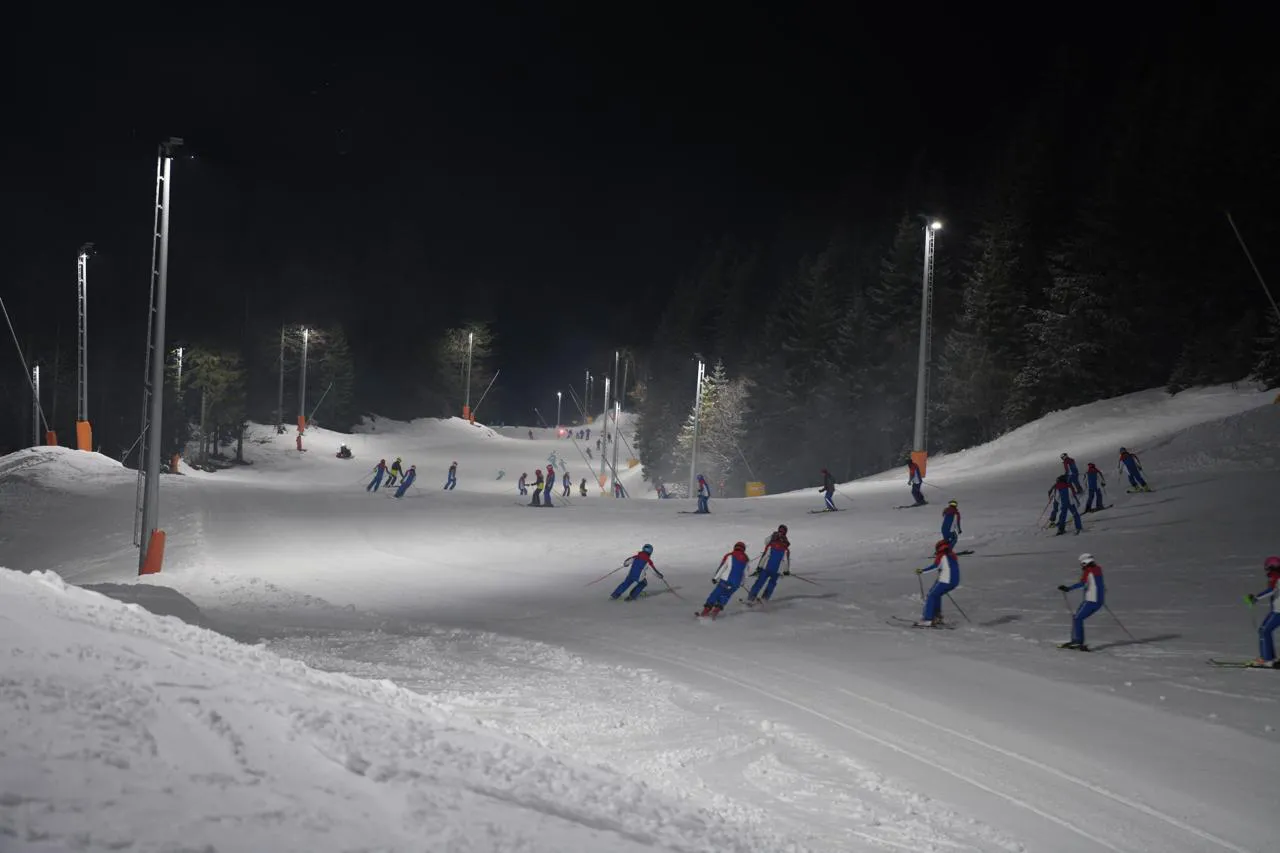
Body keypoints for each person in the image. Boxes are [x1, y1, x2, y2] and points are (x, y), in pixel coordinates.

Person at [1058, 553, 1105, 650]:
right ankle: (1077, 641)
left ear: (1085, 562)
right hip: (1098, 600)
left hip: (1091, 600)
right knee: (1077, 618)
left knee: (1077, 618)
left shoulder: (1089, 571)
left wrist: (1068, 589)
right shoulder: (1097, 569)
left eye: (1082, 564)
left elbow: (1083, 583)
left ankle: (1077, 641)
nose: (1081, 566)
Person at [915, 539, 960, 627]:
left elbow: (935, 566)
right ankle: (937, 617)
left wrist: (922, 571)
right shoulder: (951, 555)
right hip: (954, 581)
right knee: (936, 595)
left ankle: (928, 619)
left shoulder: (942, 555)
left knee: (931, 596)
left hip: (946, 581)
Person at [700, 541, 751, 618]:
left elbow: (723, 567)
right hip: (736, 583)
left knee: (716, 594)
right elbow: (745, 574)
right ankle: (716, 610)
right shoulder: (746, 559)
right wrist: (742, 583)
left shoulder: (730, 556)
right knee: (726, 595)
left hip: (725, 580)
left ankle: (706, 610)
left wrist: (715, 578)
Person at [1245, 556, 1280, 667]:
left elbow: (1272, 590)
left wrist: (1256, 598)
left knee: (1264, 631)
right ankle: (1271, 658)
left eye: (1268, 568)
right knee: (1266, 631)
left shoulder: (1276, 577)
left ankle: (1267, 659)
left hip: (1278, 611)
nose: (1267, 571)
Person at [746, 525, 791, 605]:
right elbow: (786, 561)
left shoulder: (771, 544)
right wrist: (786, 571)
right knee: (772, 584)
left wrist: (759, 567)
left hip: (766, 568)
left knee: (759, 582)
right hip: (776, 571)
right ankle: (765, 598)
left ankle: (751, 598)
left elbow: (765, 556)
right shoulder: (785, 548)